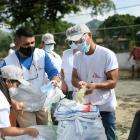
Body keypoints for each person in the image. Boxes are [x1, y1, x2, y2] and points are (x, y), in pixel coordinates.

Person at [68, 24, 119, 140]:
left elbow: (113, 82)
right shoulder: (77, 56)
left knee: (109, 136)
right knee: (89, 136)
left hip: (104, 107)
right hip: (85, 106)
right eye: (74, 42)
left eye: (80, 40)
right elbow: (74, 78)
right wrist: (79, 84)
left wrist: (94, 86)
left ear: (89, 35)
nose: (77, 44)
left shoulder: (107, 55)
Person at [3, 27, 61, 127]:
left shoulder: (42, 55)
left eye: (32, 43)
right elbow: (2, 86)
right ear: (17, 44)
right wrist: (11, 102)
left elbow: (53, 71)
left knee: (45, 133)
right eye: (26, 44)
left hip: (42, 104)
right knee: (31, 134)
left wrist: (55, 79)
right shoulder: (7, 62)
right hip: (23, 108)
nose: (30, 46)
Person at [0, 65, 39, 138]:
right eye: (17, 85)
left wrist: (12, 102)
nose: (17, 88)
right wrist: (27, 130)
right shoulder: (2, 103)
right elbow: (5, 130)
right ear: (8, 81)